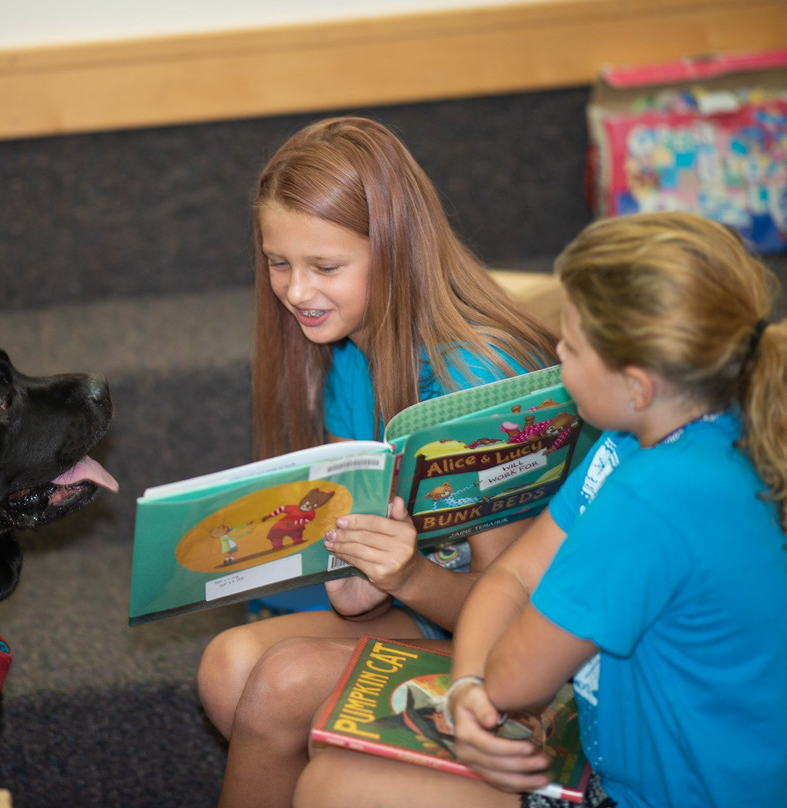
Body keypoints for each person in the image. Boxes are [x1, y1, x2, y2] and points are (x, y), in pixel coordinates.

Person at [293, 211, 787, 808]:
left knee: (333, 786)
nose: (555, 352)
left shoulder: (653, 497)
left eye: (571, 346)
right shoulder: (643, 442)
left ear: (637, 385)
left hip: (653, 795)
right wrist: (470, 684)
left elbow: (519, 677)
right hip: (630, 758)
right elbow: (513, 575)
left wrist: (480, 691)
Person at [196, 116, 557, 808]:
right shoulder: (344, 352)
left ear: (395, 251)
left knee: (279, 680)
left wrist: (409, 575)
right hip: (430, 609)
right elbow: (360, 550)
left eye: (325, 267)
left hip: (522, 647)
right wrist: (355, 572)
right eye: (279, 263)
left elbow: (514, 612)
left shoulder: (477, 378)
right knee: (229, 665)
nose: (297, 291)